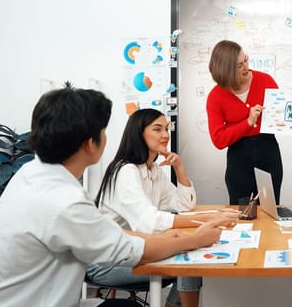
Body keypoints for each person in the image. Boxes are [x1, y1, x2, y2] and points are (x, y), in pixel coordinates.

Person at [0, 83, 224, 307]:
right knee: (184, 263)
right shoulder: (64, 200)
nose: (165, 135)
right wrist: (195, 239)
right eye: (104, 130)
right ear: (90, 143)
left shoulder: (31, 176)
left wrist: (172, 236)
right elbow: (130, 249)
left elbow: (107, 230)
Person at [89, 108, 240, 307]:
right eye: (157, 129)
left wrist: (179, 168)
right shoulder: (126, 171)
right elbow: (149, 223)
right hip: (106, 262)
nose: (166, 135)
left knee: (191, 259)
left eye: (167, 129)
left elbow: (184, 205)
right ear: (138, 134)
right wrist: (208, 219)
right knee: (189, 263)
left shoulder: (152, 170)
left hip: (137, 248)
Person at [205, 39, 284, 205]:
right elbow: (219, 140)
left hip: (269, 153)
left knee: (270, 210)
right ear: (226, 71)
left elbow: (284, 114)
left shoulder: (265, 81)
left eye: (245, 60)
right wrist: (247, 122)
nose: (246, 67)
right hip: (238, 160)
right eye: (239, 66)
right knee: (243, 214)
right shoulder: (216, 96)